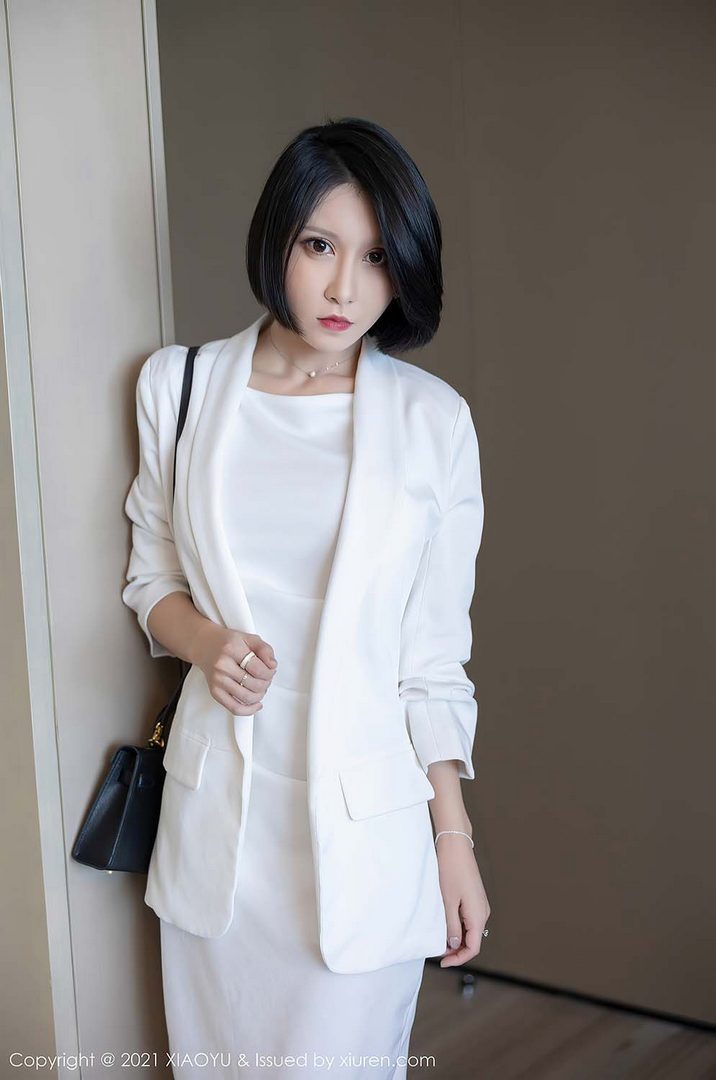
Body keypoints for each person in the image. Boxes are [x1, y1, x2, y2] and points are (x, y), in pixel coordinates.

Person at [122, 116, 491, 1079]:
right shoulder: (181, 387)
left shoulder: (435, 424)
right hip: (221, 841)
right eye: (320, 246)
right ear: (276, 239)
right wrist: (207, 644)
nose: (344, 290)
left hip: (364, 844)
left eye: (376, 258)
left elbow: (431, 658)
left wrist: (452, 840)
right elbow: (151, 579)